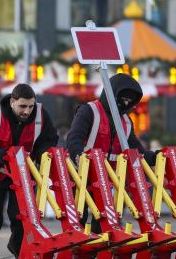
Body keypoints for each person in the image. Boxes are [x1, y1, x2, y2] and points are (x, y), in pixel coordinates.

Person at [0, 84, 58, 259]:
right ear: (12, 102)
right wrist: (1, 156)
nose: (27, 111)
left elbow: (49, 140)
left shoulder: (42, 115)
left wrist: (43, 154)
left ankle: (22, 253)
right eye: (22, 107)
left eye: (30, 107)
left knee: (22, 217)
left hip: (24, 175)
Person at [66, 73, 156, 232]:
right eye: (123, 99)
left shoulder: (126, 122)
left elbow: (136, 151)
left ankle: (97, 254)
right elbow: (74, 138)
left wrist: (157, 157)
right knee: (78, 217)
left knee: (103, 221)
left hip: (106, 179)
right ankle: (75, 252)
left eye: (130, 100)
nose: (126, 103)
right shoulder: (89, 110)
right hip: (81, 174)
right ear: (112, 95)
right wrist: (78, 156)